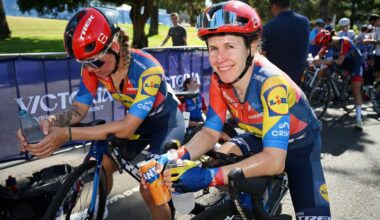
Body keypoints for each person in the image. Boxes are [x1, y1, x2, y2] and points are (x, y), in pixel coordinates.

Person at [147, 1, 332, 219]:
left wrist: (209, 177)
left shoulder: (271, 84)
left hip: (301, 146)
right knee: (214, 162)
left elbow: (274, 160)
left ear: (251, 47)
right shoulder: (219, 79)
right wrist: (174, 155)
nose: (219, 59)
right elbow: (209, 132)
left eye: (229, 46)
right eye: (213, 48)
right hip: (259, 136)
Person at [17, 7, 185, 219]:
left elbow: (126, 128)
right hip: (138, 122)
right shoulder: (94, 67)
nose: (91, 69)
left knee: (151, 188)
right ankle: (98, 209)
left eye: (95, 61)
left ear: (115, 47)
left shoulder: (148, 70)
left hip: (165, 123)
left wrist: (67, 134)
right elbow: (78, 109)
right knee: (102, 164)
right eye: (85, 63)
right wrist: (50, 122)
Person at [313, 29, 364, 130]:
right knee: (321, 72)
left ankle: (359, 119)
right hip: (343, 62)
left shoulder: (344, 41)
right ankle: (326, 91)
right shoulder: (329, 43)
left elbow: (339, 61)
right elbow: (319, 55)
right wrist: (315, 59)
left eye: (326, 44)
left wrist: (322, 61)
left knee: (355, 89)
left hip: (355, 63)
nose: (326, 46)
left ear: (329, 40)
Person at [262, 0, 310, 85]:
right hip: (298, 79)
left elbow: (263, 56)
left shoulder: (268, 27)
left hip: (275, 80)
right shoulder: (305, 22)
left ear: (274, 6)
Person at [364, 13, 380, 109]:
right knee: (377, 76)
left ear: (377, 20)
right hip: (377, 55)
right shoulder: (377, 29)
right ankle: (377, 96)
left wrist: (370, 41)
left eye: (373, 23)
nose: (374, 25)